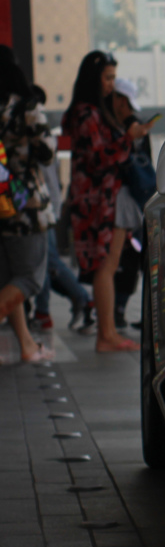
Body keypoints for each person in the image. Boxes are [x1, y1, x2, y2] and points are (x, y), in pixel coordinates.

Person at [64, 51, 151, 353]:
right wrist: (129, 137)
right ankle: (106, 335)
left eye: (114, 78)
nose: (111, 85)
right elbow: (100, 159)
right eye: (108, 78)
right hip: (97, 200)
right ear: (94, 78)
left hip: (99, 199)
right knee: (106, 267)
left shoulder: (86, 112)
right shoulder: (87, 114)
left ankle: (109, 332)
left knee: (109, 265)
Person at [0, 46, 56, 361]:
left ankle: (27, 346)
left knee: (9, 277)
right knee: (29, 277)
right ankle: (27, 346)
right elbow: (47, 153)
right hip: (24, 201)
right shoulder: (26, 108)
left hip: (0, 197)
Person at [29, 84, 90, 332]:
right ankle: (75, 302)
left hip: (42, 208)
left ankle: (74, 302)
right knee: (46, 261)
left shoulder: (35, 132)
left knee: (45, 261)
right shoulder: (44, 135)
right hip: (47, 206)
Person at [108, 79, 153, 329]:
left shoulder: (126, 128)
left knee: (127, 257)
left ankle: (119, 309)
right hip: (140, 198)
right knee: (134, 256)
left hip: (127, 200)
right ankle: (128, 311)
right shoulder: (137, 127)